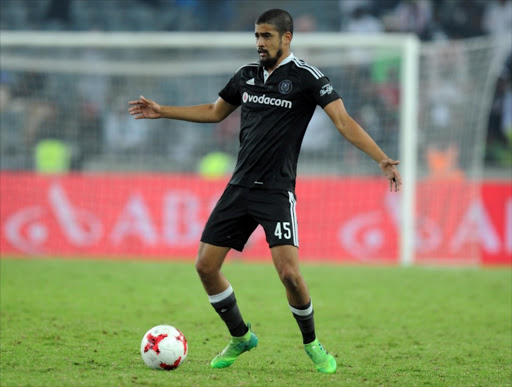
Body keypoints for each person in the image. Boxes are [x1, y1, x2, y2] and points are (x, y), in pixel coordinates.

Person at [129, 9, 402, 374]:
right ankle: (241, 336)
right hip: (239, 188)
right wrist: (163, 111)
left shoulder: (308, 77)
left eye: (267, 36)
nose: (260, 43)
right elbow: (214, 112)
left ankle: (312, 343)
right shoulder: (246, 76)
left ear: (286, 38)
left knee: (290, 275)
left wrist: (381, 159)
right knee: (205, 266)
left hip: (275, 192)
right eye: (257, 36)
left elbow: (343, 120)